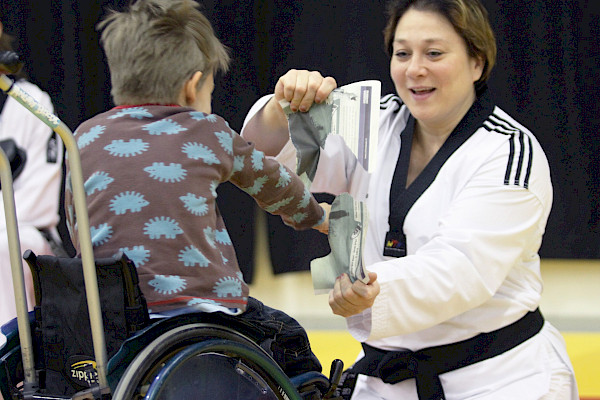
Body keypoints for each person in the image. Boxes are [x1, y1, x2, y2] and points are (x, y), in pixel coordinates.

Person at [241, 0, 579, 398]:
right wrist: (281, 109)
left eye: (434, 53)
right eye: (403, 53)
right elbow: (258, 159)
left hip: (498, 379)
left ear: (477, 62)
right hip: (385, 383)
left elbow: (462, 268)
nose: (415, 69)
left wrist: (369, 288)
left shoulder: (509, 152)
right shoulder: (373, 117)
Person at [64, 0, 329, 378]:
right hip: (199, 309)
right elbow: (275, 184)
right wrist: (315, 217)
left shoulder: (84, 135)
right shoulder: (207, 131)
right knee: (288, 336)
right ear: (193, 87)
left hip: (108, 315)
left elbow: (77, 219)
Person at [0, 20, 64, 326]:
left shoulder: (31, 104)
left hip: (22, 234)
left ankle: (11, 364)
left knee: (7, 246)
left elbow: (37, 204)